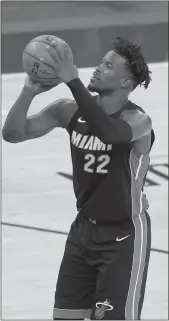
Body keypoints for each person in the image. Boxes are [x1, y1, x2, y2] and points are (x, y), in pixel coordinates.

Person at [2, 36, 155, 320]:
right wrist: (28, 90)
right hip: (82, 232)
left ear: (125, 83)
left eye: (109, 66)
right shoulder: (67, 110)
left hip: (123, 236)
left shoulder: (138, 121)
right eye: (102, 62)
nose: (98, 68)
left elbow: (109, 133)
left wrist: (73, 80)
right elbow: (12, 134)